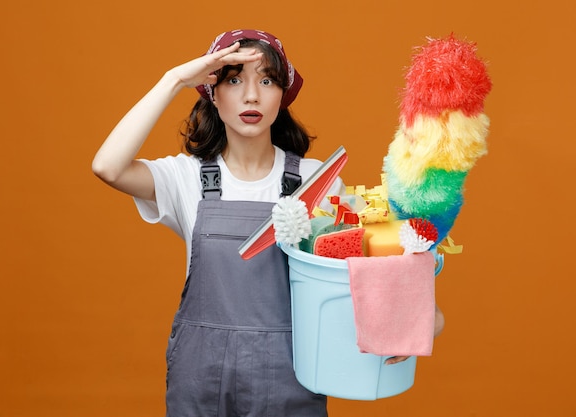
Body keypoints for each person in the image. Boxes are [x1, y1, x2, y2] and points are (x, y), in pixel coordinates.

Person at [93, 29, 444, 416]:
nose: (251, 96)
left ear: (283, 94)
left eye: (266, 81)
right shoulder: (185, 178)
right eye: (234, 80)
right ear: (212, 92)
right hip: (200, 378)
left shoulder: (316, 181)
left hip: (289, 378)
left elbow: (365, 267)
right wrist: (174, 79)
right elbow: (107, 167)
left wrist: (420, 320)